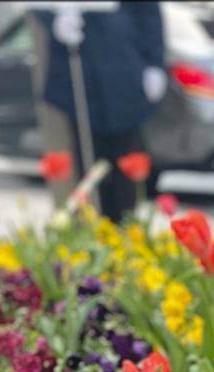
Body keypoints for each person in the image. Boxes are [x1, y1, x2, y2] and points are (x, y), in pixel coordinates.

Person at [33, 1, 167, 221]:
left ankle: (123, 230)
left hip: (124, 71)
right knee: (86, 167)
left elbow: (149, 14)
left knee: (124, 167)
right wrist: (54, 20)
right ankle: (89, 229)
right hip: (79, 74)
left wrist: (155, 62)